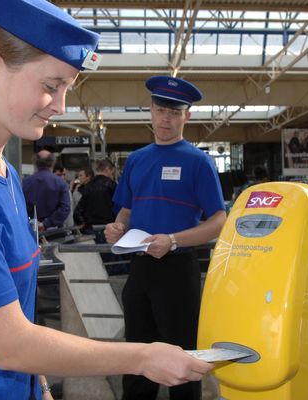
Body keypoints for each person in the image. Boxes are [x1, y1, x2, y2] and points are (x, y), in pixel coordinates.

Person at [0, 1, 212, 399]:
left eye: (67, 89)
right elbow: (9, 344)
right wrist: (142, 357)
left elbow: (15, 308)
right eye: (50, 86)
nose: (61, 106)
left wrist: (38, 383)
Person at [105, 76, 226, 400]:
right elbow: (126, 211)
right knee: (137, 355)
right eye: (160, 111)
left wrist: (173, 240)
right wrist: (117, 227)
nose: (165, 120)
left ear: (187, 116)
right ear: (151, 111)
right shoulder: (137, 159)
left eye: (174, 113)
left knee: (182, 359)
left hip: (177, 269)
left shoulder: (198, 161)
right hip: (140, 269)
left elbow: (219, 221)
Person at [23, 149, 71, 231]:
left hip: (31, 229)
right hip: (54, 231)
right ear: (53, 163)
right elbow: (65, 208)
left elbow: (21, 206)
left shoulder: (26, 182)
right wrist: (46, 223)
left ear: (35, 162)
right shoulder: (60, 183)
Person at [73, 159, 116, 235]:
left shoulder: (87, 187)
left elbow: (77, 212)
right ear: (107, 169)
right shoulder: (112, 185)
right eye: (112, 172)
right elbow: (119, 207)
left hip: (90, 229)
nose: (112, 175)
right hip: (109, 229)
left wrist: (83, 224)